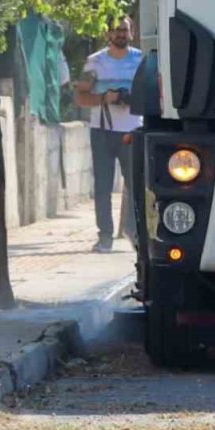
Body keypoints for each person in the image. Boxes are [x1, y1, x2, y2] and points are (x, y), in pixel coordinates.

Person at [74, 17, 143, 253]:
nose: (120, 34)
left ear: (131, 32)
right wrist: (106, 98)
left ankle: (134, 232)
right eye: (116, 31)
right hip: (102, 130)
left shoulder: (140, 60)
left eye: (125, 30)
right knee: (102, 187)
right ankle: (104, 236)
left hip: (132, 130)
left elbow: (155, 94)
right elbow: (81, 97)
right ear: (108, 34)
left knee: (135, 185)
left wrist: (133, 100)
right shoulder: (95, 63)